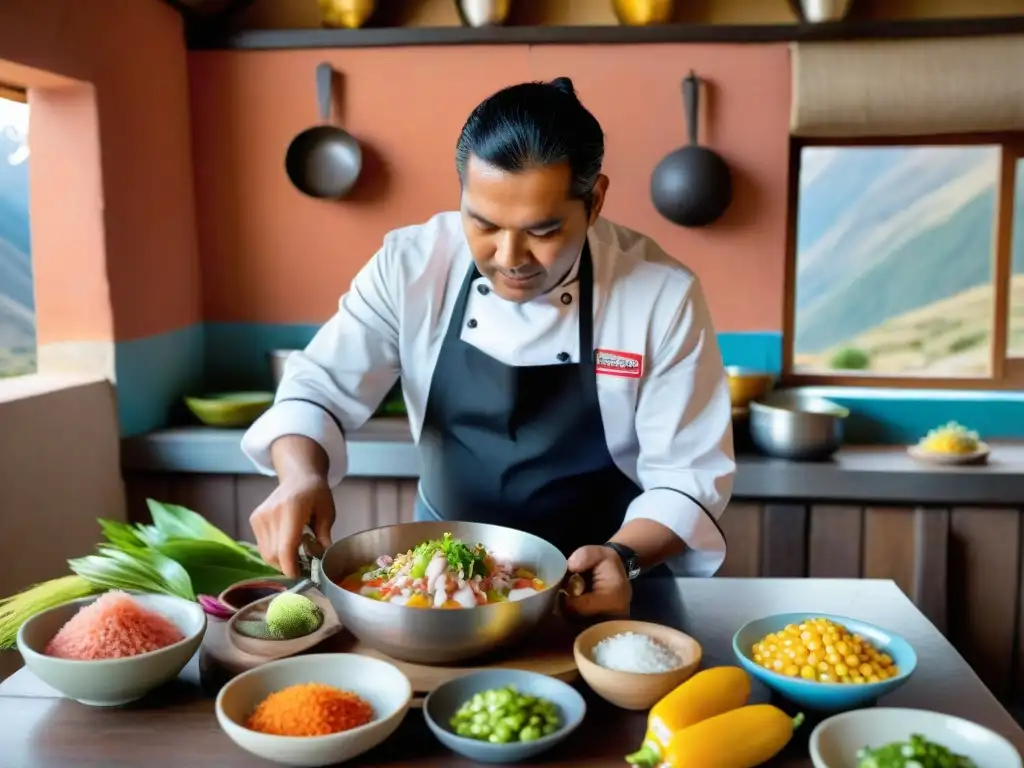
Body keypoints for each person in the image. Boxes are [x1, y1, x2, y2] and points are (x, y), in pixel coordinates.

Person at [241, 76, 736, 617]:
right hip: (440, 588)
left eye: (542, 231)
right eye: (483, 223)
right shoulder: (411, 266)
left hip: (597, 589)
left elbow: (687, 477)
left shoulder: (660, 295)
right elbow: (317, 390)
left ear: (594, 202)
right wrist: (301, 475)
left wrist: (622, 556)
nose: (509, 256)